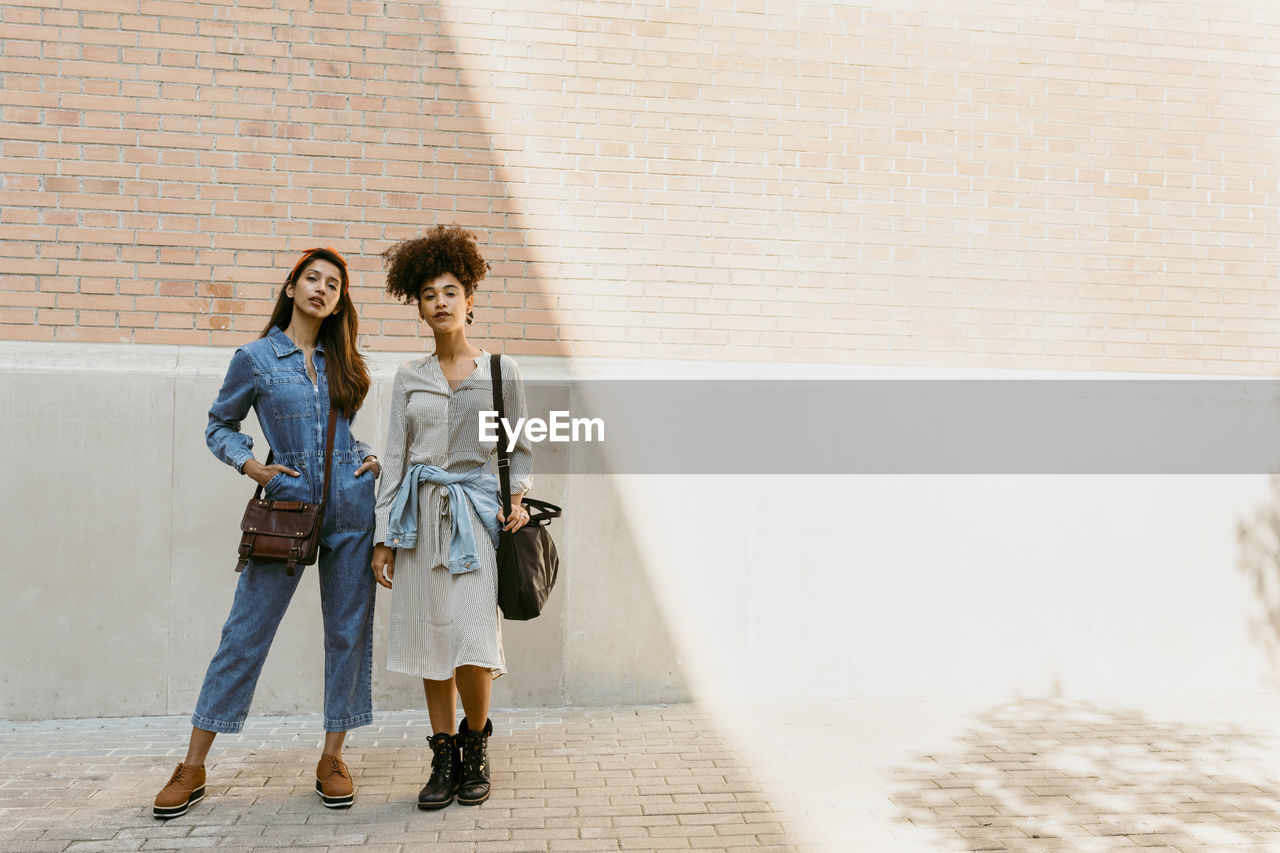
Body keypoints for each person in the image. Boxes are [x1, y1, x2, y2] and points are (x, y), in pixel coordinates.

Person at [153, 247, 381, 818]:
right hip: (287, 506)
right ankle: (193, 764)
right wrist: (252, 465)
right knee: (244, 632)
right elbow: (219, 424)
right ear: (290, 287)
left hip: (352, 508)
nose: (321, 289)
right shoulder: (255, 358)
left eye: (333, 284)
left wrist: (370, 458)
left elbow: (346, 427)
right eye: (312, 278)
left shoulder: (342, 358)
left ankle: (332, 756)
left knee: (347, 634)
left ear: (338, 302)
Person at [372, 224, 534, 809]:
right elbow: (395, 457)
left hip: (476, 521)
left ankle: (475, 746)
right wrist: (384, 536)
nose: (439, 302)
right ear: (418, 307)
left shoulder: (501, 373)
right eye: (428, 295)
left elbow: (519, 450)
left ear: (470, 299)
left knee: (472, 639)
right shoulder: (408, 377)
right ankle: (443, 756)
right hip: (420, 520)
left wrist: (515, 501)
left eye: (450, 291)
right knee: (430, 638)